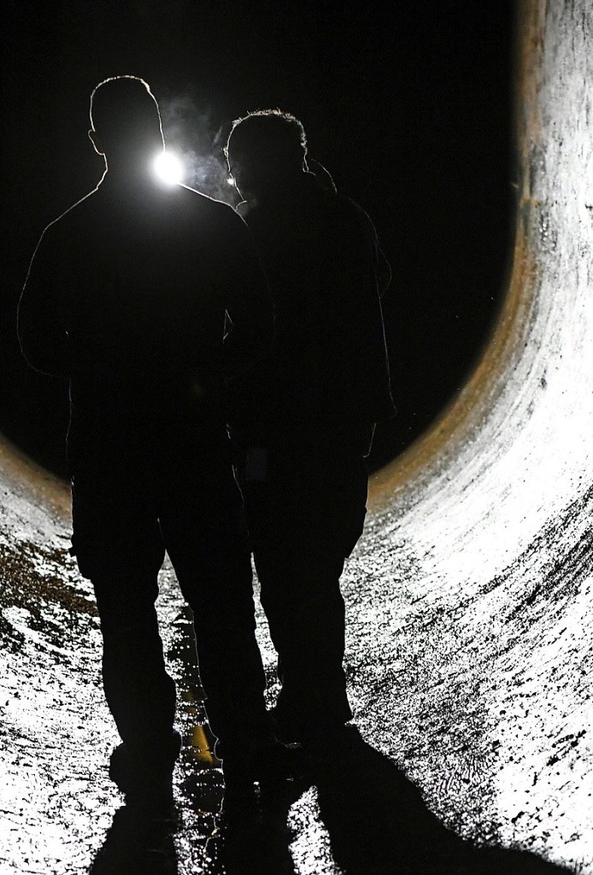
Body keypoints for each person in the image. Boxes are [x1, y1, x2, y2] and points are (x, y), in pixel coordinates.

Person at [17, 77, 290, 816]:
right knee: (224, 604)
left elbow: (36, 344)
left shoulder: (68, 235)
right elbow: (260, 326)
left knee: (127, 611)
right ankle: (245, 744)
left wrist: (99, 367)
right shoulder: (210, 225)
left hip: (109, 453)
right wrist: (204, 376)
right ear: (160, 132)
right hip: (195, 446)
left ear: (97, 139)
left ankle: (147, 747)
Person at [224, 109, 395, 751]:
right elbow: (379, 282)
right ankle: (320, 694)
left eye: (239, 160)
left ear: (256, 163)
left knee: (277, 552)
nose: (233, 172)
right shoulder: (346, 217)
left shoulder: (257, 228)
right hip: (345, 423)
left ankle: (305, 696)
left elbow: (241, 321)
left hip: (272, 431)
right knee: (321, 554)